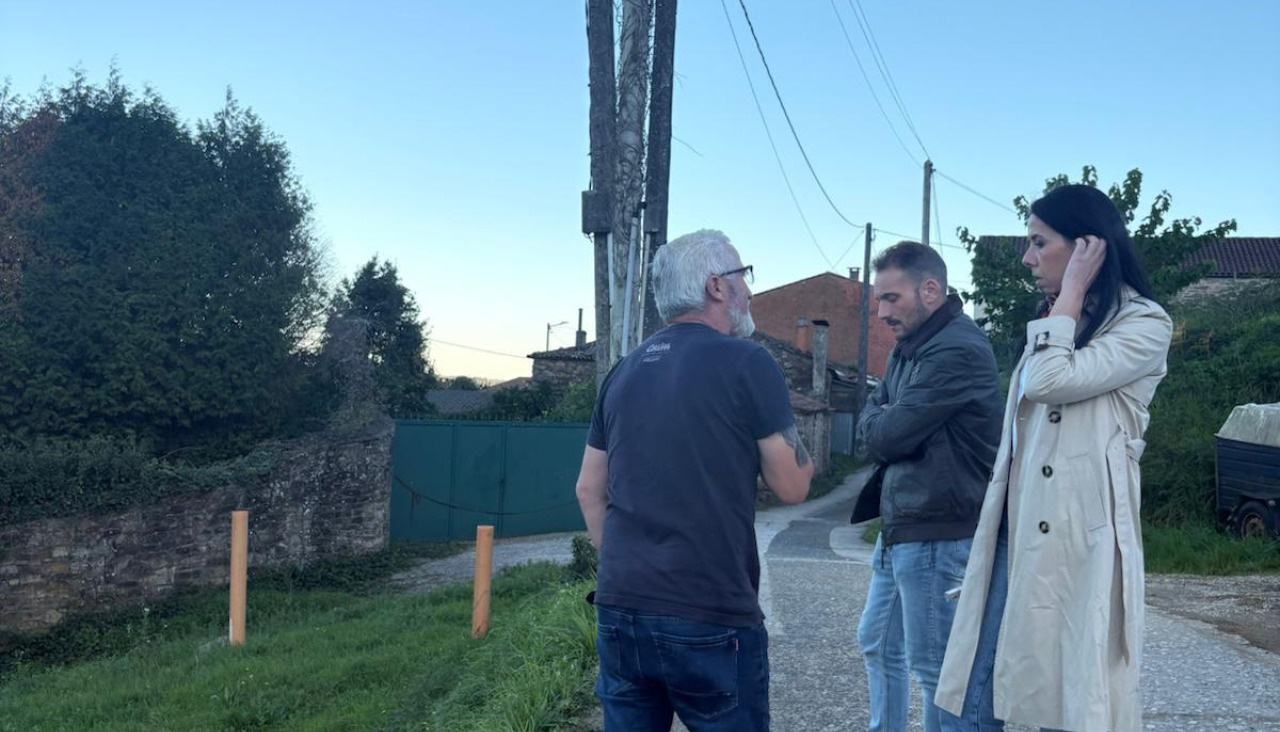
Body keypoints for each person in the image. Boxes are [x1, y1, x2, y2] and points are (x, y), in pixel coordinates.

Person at [936, 184, 1174, 732]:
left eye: (1040, 242)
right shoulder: (1059, 322)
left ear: (1087, 247)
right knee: (977, 690)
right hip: (1014, 531)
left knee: (1070, 696)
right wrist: (1067, 302)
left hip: (1077, 538)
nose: (1027, 258)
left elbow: (1049, 380)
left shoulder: (1145, 324)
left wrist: (1069, 293)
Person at [574, 228, 815, 731]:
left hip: (621, 606)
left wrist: (628, 564)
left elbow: (588, 489)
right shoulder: (748, 361)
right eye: (742, 276)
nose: (749, 289)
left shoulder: (622, 372)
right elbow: (792, 486)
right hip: (708, 613)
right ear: (716, 286)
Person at [852, 242, 1004, 732]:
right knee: (877, 641)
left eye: (891, 299)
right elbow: (872, 420)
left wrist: (886, 418)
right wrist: (885, 417)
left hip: (941, 529)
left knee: (940, 671)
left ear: (931, 290)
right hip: (902, 527)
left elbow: (888, 433)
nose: (882, 312)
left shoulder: (958, 347)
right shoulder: (908, 348)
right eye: (879, 300)